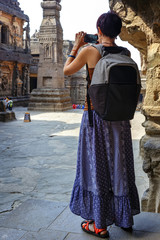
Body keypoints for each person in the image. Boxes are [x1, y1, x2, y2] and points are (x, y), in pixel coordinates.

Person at [63, 11, 140, 238]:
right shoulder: (125, 53)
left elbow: (67, 70)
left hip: (95, 118)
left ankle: (99, 224)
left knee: (95, 167)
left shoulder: (90, 51)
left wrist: (75, 47)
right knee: (119, 165)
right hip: (121, 119)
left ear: (98, 29)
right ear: (118, 32)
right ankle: (124, 217)